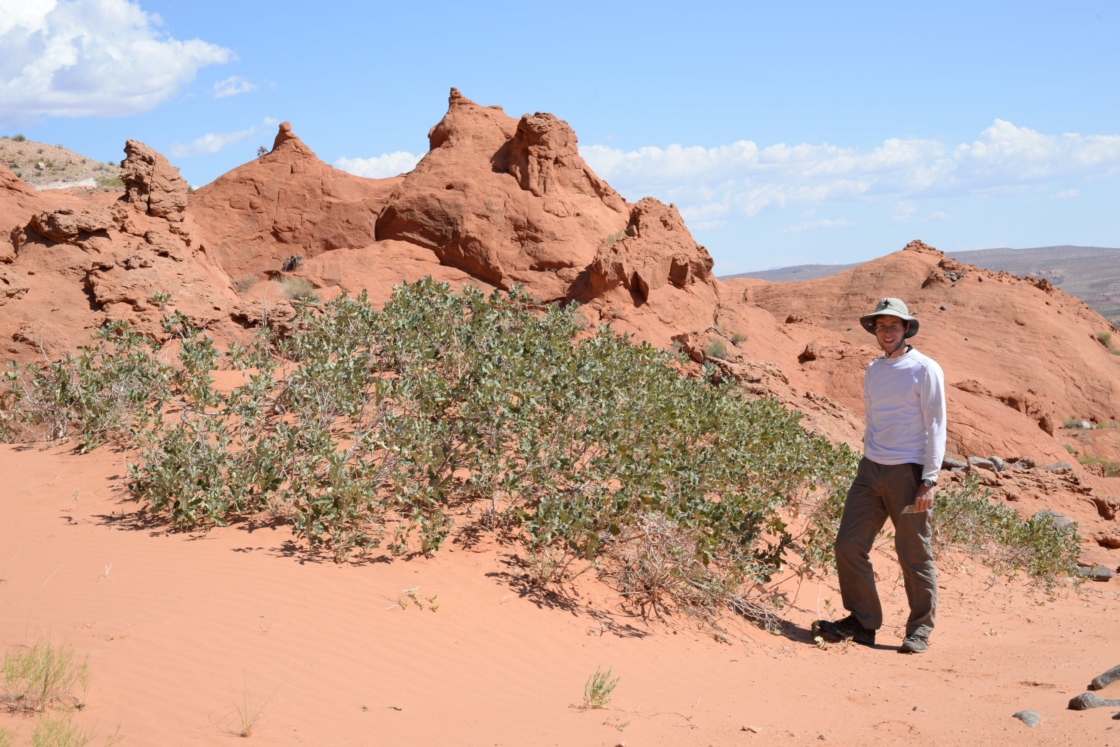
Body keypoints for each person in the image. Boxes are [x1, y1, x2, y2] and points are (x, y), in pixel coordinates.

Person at [815, 297, 946, 654]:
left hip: (909, 472)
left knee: (913, 555)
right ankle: (863, 622)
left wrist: (929, 479)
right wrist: (869, 459)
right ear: (875, 330)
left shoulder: (925, 369)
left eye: (894, 325)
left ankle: (919, 630)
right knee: (848, 544)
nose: (887, 332)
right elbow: (873, 419)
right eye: (881, 326)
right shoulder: (874, 369)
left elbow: (936, 425)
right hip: (870, 470)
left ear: (906, 328)